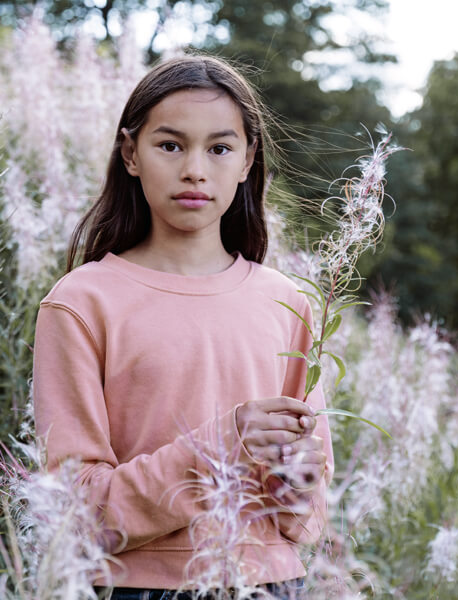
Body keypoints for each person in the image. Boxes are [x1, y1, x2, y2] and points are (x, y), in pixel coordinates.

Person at [32, 55, 334, 599]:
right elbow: (76, 513)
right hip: (134, 588)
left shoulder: (287, 303)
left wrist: (298, 481)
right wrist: (222, 446)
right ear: (131, 154)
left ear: (247, 160)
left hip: (272, 584)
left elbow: (305, 517)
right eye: (170, 145)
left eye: (219, 148)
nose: (195, 169)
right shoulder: (81, 302)